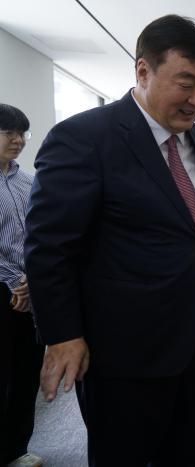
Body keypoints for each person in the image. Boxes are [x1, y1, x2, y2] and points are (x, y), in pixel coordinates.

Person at [24, 15, 195, 466]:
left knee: (187, 454)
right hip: (122, 351)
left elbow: (194, 235)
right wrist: (63, 334)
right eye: (186, 84)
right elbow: (49, 247)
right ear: (144, 71)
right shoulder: (85, 138)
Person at [0, 104, 43, 467]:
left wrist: (33, 279)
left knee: (26, 373)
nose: (17, 140)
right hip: (5, 288)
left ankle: (15, 449)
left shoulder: (29, 181)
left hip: (31, 290)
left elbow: (41, 234)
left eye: (22, 133)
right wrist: (16, 282)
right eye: (8, 133)